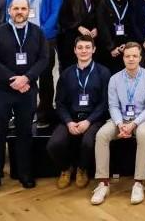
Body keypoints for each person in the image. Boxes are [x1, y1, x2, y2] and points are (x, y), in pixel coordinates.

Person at [0, 0, 49, 195]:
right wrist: (13, 79)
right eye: (16, 8)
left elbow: (44, 59)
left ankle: (24, 173)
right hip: (2, 90)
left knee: (25, 133)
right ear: (9, 11)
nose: (20, 12)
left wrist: (26, 78)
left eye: (23, 8)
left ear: (29, 11)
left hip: (27, 91)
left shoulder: (38, 32)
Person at [91, 42, 145, 205]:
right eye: (128, 56)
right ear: (123, 58)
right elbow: (113, 106)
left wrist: (133, 124)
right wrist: (120, 124)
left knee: (143, 134)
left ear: (140, 58)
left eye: (135, 56)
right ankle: (103, 183)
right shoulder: (114, 79)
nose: (131, 59)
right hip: (120, 119)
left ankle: (138, 183)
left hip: (142, 119)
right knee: (101, 135)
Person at [47, 35, 111, 190]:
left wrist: (88, 121)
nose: (84, 51)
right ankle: (66, 169)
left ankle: (82, 169)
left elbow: (105, 103)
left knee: (88, 143)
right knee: (54, 144)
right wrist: (69, 122)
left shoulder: (103, 72)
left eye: (88, 47)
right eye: (80, 48)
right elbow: (60, 103)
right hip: (71, 118)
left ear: (94, 50)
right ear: (75, 50)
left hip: (94, 118)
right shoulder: (66, 74)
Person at [7, 0, 63, 126]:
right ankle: (21, 114)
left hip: (45, 38)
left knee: (45, 78)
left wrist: (40, 34)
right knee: (21, 76)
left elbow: (55, 12)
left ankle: (44, 114)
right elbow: (10, 9)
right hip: (20, 38)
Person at [57, 0, 103, 72]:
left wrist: (98, 28)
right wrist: (78, 27)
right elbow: (63, 19)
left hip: (97, 43)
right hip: (74, 42)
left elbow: (107, 20)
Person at [96, 0, 134, 73]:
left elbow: (132, 26)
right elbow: (102, 27)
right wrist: (111, 48)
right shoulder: (103, 4)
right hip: (108, 49)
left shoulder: (129, 4)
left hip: (125, 48)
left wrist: (127, 44)